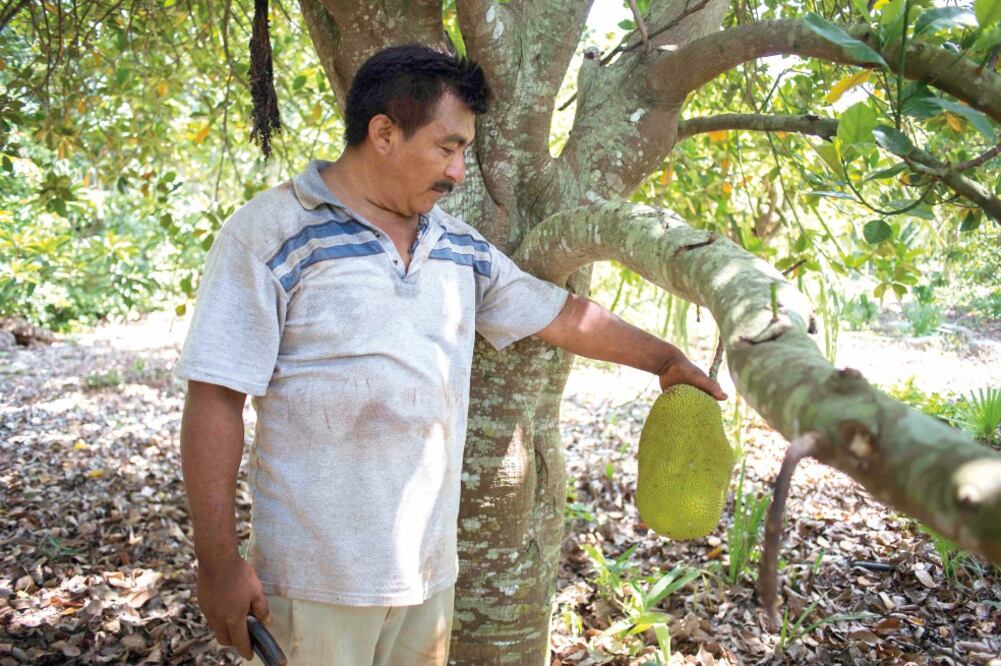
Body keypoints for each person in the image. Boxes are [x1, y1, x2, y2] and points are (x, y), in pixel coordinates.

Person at [176, 44, 725, 666]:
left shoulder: (458, 248)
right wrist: (218, 564)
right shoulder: (271, 233)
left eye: (464, 151)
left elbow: (561, 314)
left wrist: (664, 359)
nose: (459, 171)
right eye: (448, 147)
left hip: (426, 573)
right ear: (383, 133)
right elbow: (215, 398)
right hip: (314, 582)